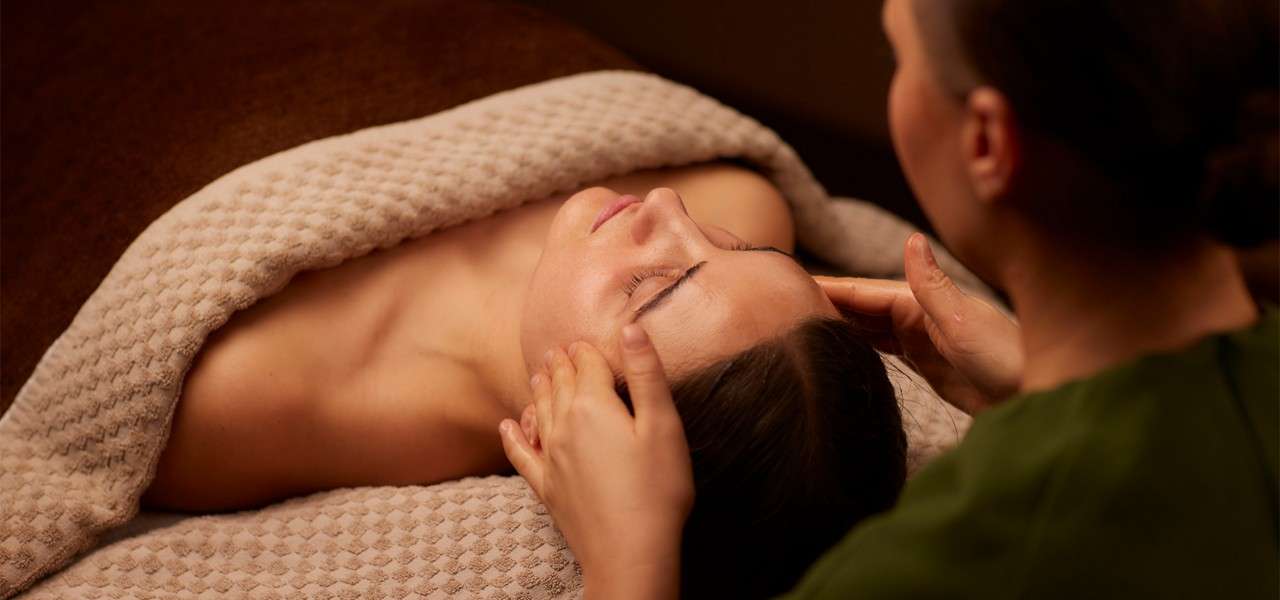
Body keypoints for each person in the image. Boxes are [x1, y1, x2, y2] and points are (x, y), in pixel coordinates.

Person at [499, 0, 1279, 597]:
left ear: (986, 143)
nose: (667, 205)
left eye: (897, 57)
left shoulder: (934, 566)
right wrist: (1039, 392)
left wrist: (629, 566)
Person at [142, 161, 910, 596]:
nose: (671, 208)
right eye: (742, 250)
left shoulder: (238, 404)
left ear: (573, 436)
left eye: (651, 286)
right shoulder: (744, 200)